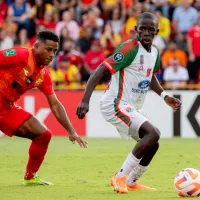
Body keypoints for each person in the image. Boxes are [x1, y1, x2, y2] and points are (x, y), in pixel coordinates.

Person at [76, 12, 181, 194]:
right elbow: (100, 70)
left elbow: (150, 77)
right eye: (143, 29)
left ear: (156, 31)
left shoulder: (155, 51)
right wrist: (85, 100)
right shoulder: (128, 49)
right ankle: (120, 177)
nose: (147, 33)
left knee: (153, 142)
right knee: (153, 133)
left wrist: (165, 96)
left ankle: (132, 182)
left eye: (150, 30)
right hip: (114, 103)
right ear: (136, 30)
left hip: (130, 106)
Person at [0, 30, 87, 186]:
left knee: (43, 135)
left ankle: (31, 176)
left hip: (6, 109)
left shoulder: (43, 75)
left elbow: (54, 103)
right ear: (36, 46)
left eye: (55, 51)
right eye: (48, 49)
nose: (52, 54)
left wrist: (71, 130)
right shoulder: (20, 55)